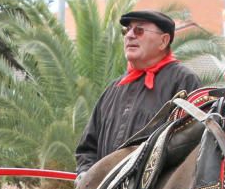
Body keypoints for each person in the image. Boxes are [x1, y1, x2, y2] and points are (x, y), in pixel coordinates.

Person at [74, 10, 200, 180]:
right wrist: (86, 175)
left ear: (163, 41)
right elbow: (88, 148)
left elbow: (191, 143)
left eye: (139, 30)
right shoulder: (114, 88)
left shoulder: (183, 81)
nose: (130, 35)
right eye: (127, 31)